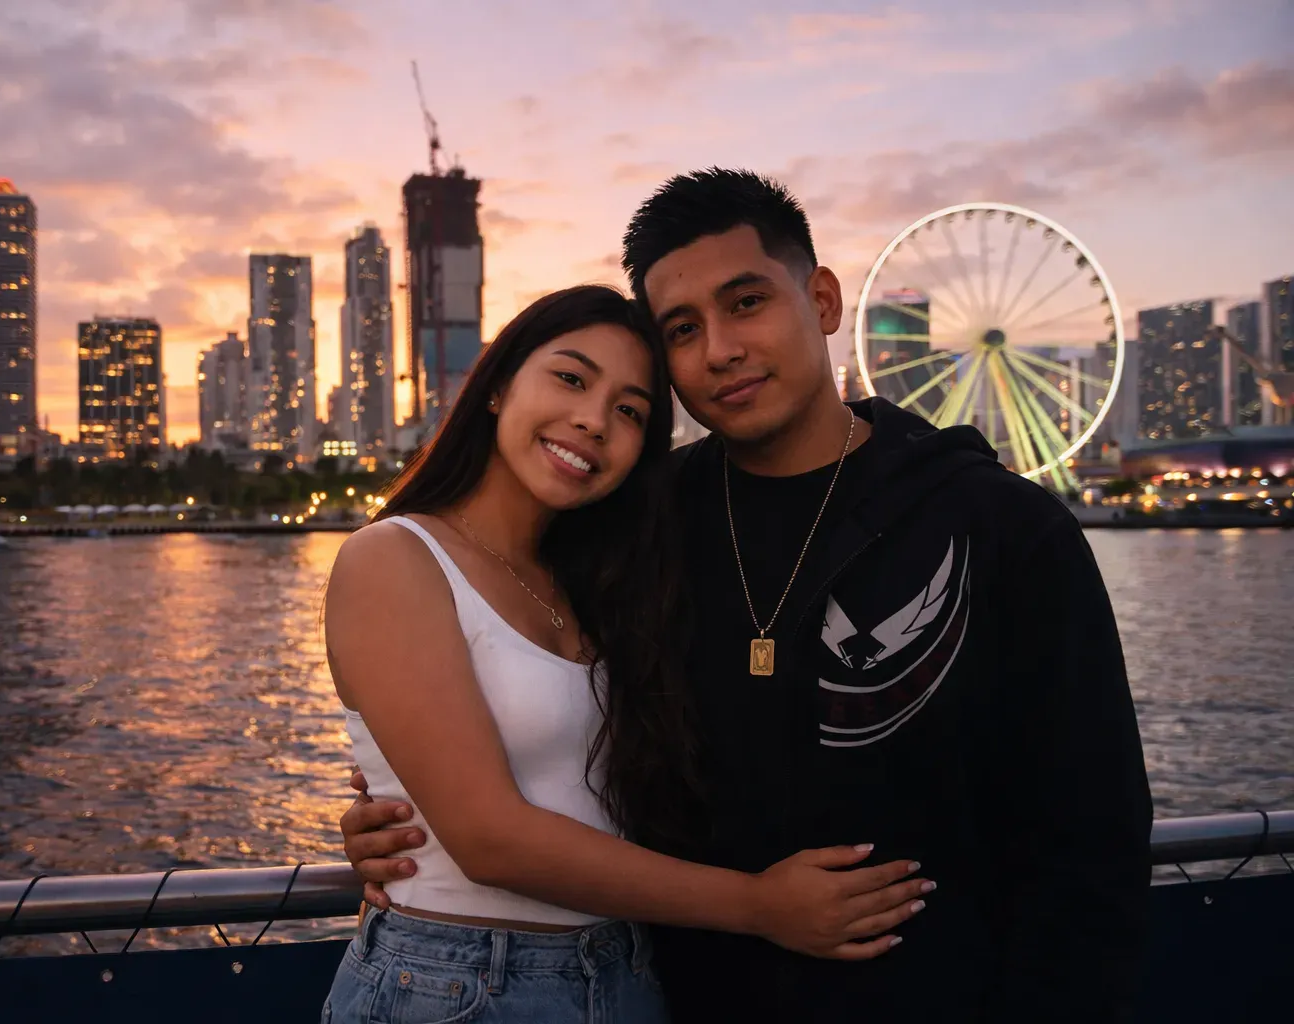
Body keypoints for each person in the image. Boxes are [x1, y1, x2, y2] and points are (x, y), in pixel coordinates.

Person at [341, 172, 1155, 1022]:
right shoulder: (634, 526)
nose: (720, 349)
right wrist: (401, 817)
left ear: (825, 299)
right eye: (683, 330)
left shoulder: (999, 527)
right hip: (675, 998)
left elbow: (1091, 844)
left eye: (747, 302)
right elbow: (509, 708)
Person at [321, 284, 931, 1023]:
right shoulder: (395, 558)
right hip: (459, 986)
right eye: (572, 379)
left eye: (630, 411)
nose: (593, 421)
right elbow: (488, 840)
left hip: (627, 975)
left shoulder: (599, 585)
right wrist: (759, 905)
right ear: (498, 385)